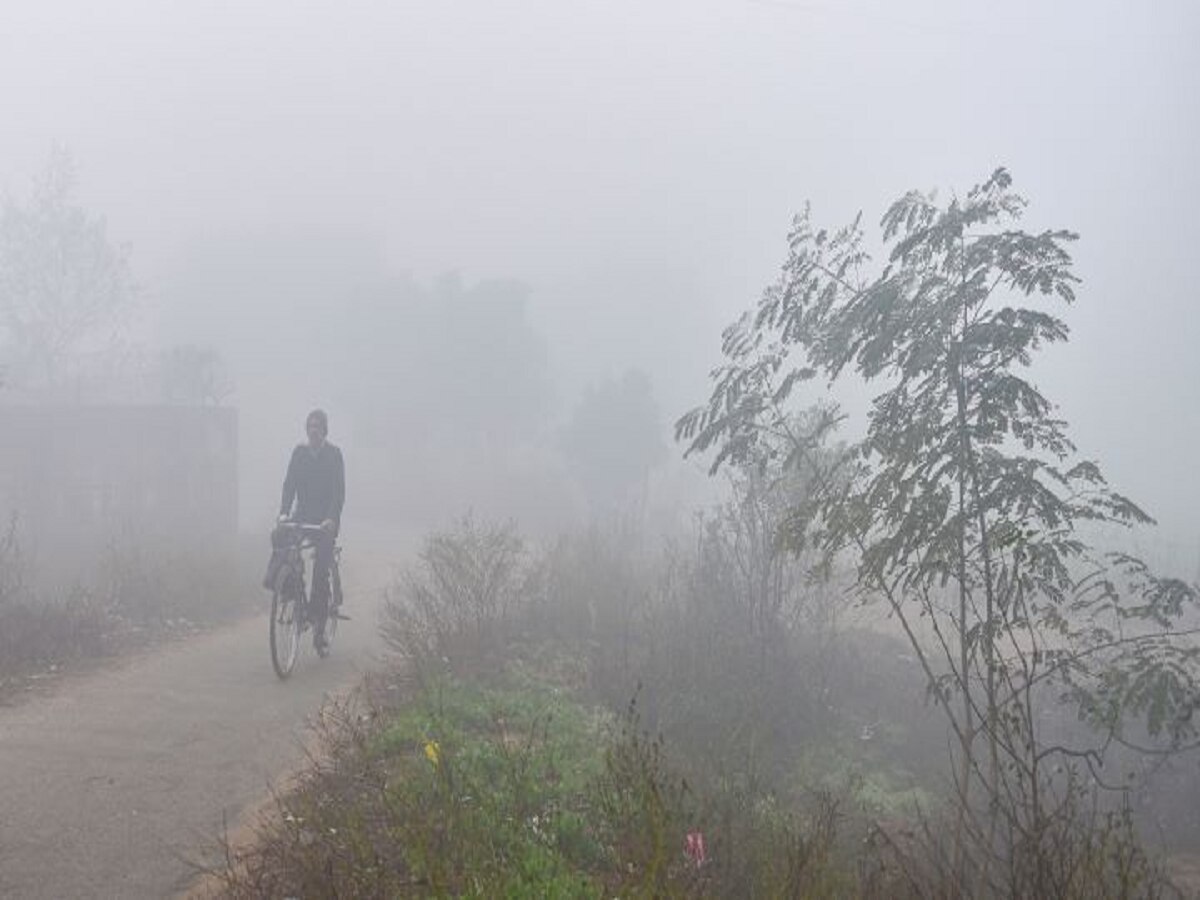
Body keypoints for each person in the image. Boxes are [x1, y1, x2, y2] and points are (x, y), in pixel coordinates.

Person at [263, 408, 345, 650]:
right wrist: (284, 512)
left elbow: (338, 493)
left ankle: (319, 623)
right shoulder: (299, 454)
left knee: (321, 569)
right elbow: (289, 486)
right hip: (302, 516)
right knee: (279, 536)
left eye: (318, 426)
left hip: (324, 523)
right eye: (310, 426)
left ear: (324, 430)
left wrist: (331, 518)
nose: (314, 430)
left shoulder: (334, 455)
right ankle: (287, 586)